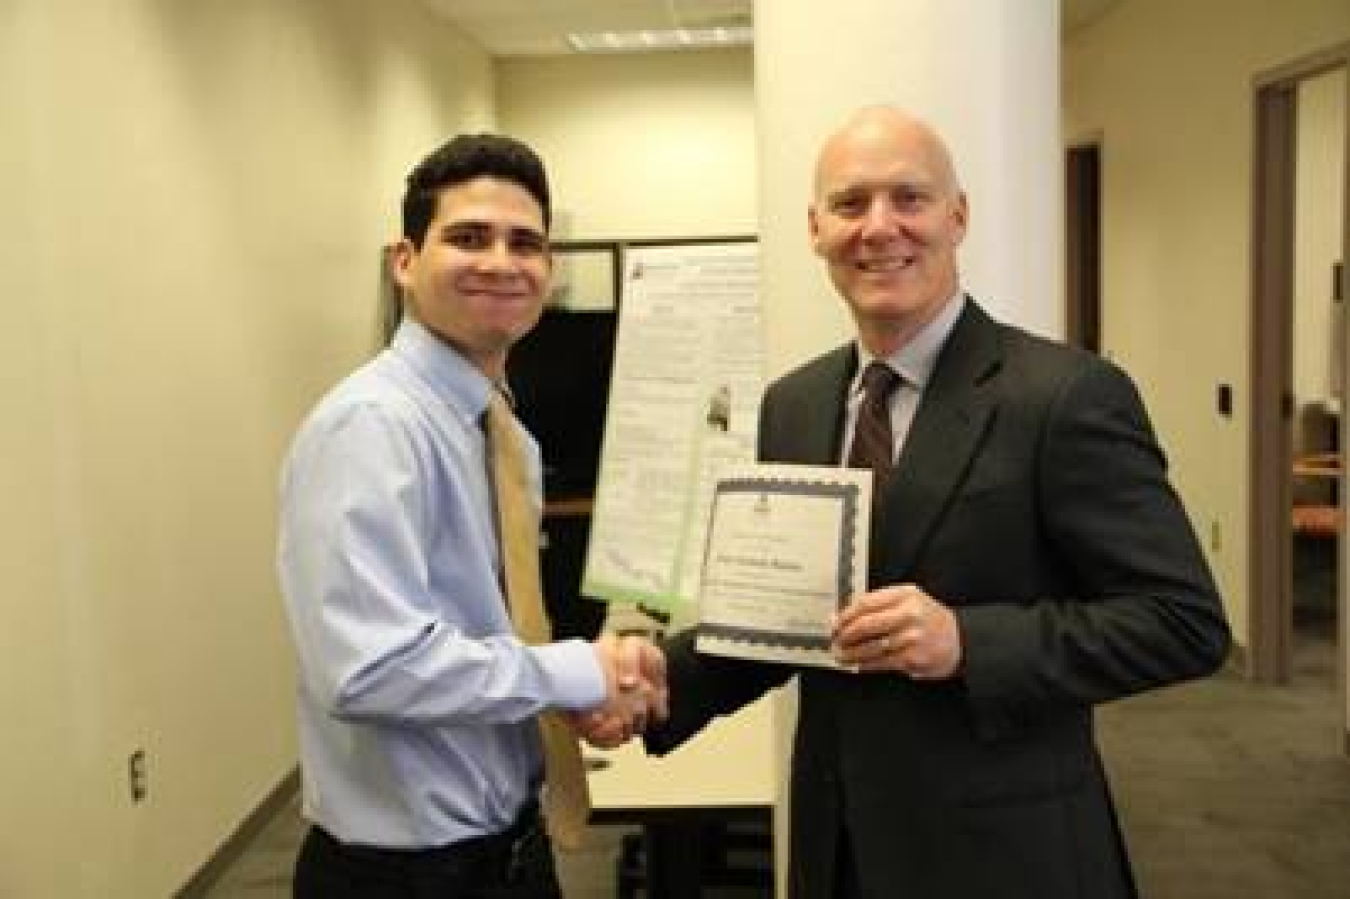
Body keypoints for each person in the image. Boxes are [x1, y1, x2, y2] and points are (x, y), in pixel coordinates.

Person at [584, 106, 1231, 898]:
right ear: (815, 228)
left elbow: (1183, 621)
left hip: (1006, 853)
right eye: (851, 204)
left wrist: (967, 639)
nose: (880, 227)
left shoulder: (1064, 396)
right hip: (839, 844)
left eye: (910, 199)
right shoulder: (795, 403)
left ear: (957, 217)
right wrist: (658, 682)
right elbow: (786, 617)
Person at [278, 133, 663, 898]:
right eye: (467, 237)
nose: (500, 260)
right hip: (406, 876)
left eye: (525, 242)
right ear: (405, 259)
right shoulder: (372, 426)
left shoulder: (499, 431)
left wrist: (568, 694)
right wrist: (576, 670)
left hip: (509, 846)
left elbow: (490, 630)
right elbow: (371, 667)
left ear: (547, 270)